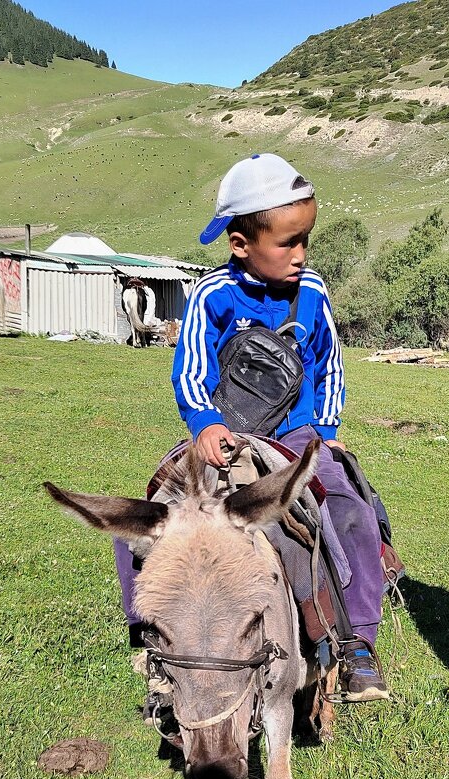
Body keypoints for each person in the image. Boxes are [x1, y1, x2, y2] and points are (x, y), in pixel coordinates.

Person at [170, 153, 388, 702]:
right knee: (156, 511)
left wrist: (326, 427)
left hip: (296, 433)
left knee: (348, 509)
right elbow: (192, 367)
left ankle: (357, 642)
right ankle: (150, 633)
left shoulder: (311, 293)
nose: (301, 255)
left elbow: (328, 362)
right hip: (228, 432)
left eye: (305, 240)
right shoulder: (211, 295)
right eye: (288, 242)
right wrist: (204, 424)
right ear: (241, 244)